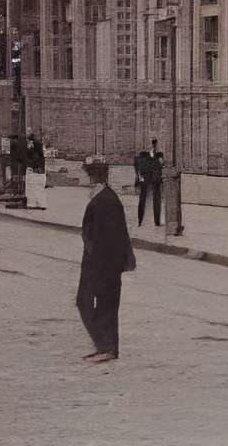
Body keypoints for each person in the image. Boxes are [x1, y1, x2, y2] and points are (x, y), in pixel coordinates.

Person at [76, 157, 136, 364]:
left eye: (88, 175)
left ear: (94, 177)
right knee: (88, 302)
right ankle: (103, 345)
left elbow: (110, 238)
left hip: (104, 264)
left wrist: (103, 267)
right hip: (96, 261)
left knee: (103, 304)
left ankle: (108, 347)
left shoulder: (106, 201)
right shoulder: (101, 197)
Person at [133, 141, 163, 227]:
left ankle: (156, 221)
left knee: (156, 199)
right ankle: (140, 220)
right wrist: (139, 177)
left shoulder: (159, 155)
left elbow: (161, 165)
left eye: (154, 145)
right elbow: (137, 167)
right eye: (152, 145)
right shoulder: (142, 156)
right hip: (146, 180)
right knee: (143, 199)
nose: (153, 147)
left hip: (155, 180)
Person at [26, 135, 48, 210]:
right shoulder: (40, 153)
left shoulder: (34, 152)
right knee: (40, 188)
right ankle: (42, 204)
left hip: (35, 171)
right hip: (41, 171)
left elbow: (33, 160)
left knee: (32, 187)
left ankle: (32, 204)